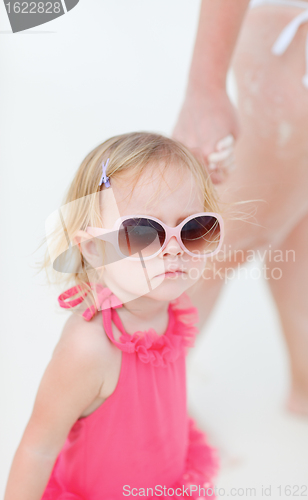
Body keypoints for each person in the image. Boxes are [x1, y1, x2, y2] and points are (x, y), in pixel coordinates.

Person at [4, 133, 223, 499]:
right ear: (94, 249)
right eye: (141, 232)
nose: (173, 250)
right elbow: (37, 448)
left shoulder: (172, 308)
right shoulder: (90, 347)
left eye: (194, 229)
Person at [173, 0, 308, 417]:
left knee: (307, 215)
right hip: (302, 47)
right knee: (224, 241)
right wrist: (204, 88)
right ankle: (137, 414)